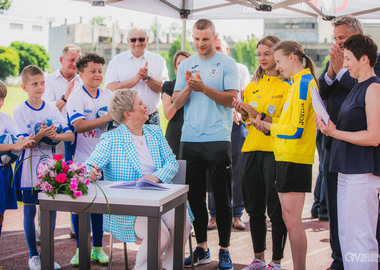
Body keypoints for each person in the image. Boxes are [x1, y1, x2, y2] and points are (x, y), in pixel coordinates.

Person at [85, 88, 192, 270]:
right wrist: (91, 172)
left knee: (183, 223)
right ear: (128, 114)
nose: (146, 106)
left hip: (161, 197)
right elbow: (89, 165)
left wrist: (155, 177)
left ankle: (169, 267)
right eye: (140, 104)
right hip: (129, 207)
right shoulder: (112, 139)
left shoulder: (155, 133)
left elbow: (172, 164)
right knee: (160, 237)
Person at [173, 18, 239, 270]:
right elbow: (176, 103)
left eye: (206, 39)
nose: (200, 44)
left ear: (214, 37)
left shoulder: (226, 63)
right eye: (197, 39)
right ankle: (202, 248)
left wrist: (203, 88)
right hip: (190, 140)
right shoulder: (187, 64)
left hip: (218, 139)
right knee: (195, 198)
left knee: (222, 199)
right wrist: (190, 89)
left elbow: (232, 99)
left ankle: (225, 250)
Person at [318, 16, 380, 270]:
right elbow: (325, 89)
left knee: (361, 235)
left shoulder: (371, 81)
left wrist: (334, 132)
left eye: (342, 41)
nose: (338, 47)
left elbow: (374, 135)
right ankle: (344, 262)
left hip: (361, 166)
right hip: (343, 163)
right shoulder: (350, 76)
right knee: (346, 231)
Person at [251, 40, 318, 270]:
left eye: (278, 61)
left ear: (292, 57)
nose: (277, 67)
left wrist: (270, 127)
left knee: (292, 223)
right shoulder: (297, 83)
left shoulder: (302, 84)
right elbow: (289, 124)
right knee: (291, 222)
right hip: (289, 158)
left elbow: (295, 130)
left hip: (293, 158)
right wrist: (266, 123)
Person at [232, 35, 290, 270]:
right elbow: (248, 123)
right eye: (259, 54)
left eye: (267, 53)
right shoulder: (252, 86)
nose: (263, 58)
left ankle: (276, 262)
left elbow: (284, 122)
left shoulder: (288, 85)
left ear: (277, 55)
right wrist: (244, 113)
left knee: (276, 210)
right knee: (254, 209)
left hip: (275, 152)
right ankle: (258, 259)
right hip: (251, 150)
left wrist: (256, 113)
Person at [13, 65, 75, 270]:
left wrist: (55, 136)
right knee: (30, 212)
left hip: (49, 169)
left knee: (50, 211)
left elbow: (70, 135)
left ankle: (47, 254)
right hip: (28, 169)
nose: (40, 87)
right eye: (34, 84)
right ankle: (34, 256)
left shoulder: (51, 108)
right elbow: (24, 143)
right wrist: (41, 134)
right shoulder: (19, 111)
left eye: (42, 83)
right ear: (24, 87)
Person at [66, 53, 112, 266]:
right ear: (81, 73)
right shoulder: (76, 96)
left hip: (103, 160)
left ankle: (97, 248)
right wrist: (106, 118)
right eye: (92, 71)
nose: (97, 75)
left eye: (100, 71)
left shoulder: (108, 95)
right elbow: (79, 125)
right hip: (80, 159)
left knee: (99, 205)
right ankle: (80, 249)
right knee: (80, 206)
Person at [206, 38, 249, 231]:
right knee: (215, 171)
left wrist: (238, 111)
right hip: (214, 126)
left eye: (220, 48)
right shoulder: (206, 69)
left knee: (238, 170)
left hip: (236, 124)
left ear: (227, 49)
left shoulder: (240, 68)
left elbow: (245, 95)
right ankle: (214, 215)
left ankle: (237, 214)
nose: (217, 52)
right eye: (214, 49)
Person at [42, 43, 82, 240]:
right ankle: (46, 230)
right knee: (51, 184)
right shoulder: (48, 80)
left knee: (74, 182)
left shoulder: (83, 80)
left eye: (77, 61)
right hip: (52, 137)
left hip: (75, 138)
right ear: (61, 60)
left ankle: (76, 228)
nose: (75, 65)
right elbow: (47, 111)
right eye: (71, 60)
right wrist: (65, 97)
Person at [105, 26, 168, 125]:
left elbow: (165, 89)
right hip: (125, 120)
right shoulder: (117, 61)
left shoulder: (158, 61)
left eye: (141, 39)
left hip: (151, 119)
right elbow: (110, 88)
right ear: (128, 41)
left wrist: (147, 78)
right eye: (133, 40)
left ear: (147, 39)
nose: (137, 43)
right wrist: (134, 80)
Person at [0, 81, 34, 237]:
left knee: (1, 214)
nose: (1, 102)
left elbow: (18, 140)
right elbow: (14, 145)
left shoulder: (6, 118)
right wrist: (12, 146)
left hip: (5, 171)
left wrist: (27, 140)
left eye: (2, 98)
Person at [161, 50, 191, 157]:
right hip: (175, 133)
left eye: (186, 63)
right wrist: (185, 92)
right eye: (179, 63)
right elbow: (168, 115)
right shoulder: (168, 86)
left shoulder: (198, 86)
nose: (183, 66)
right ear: (175, 66)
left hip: (194, 133)